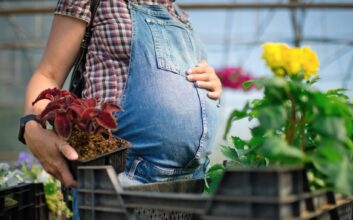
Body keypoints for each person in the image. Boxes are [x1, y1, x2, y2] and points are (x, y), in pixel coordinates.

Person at [22, 0, 222, 190]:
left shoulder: (178, 13)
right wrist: (31, 126)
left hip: (193, 178)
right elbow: (48, 74)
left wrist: (212, 82)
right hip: (121, 175)